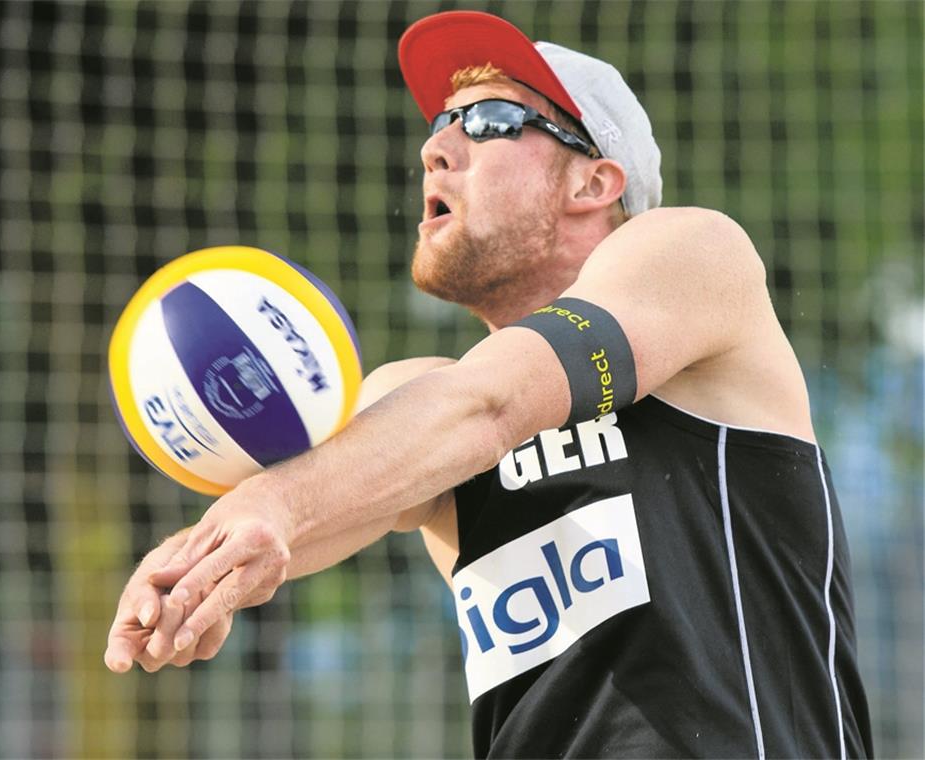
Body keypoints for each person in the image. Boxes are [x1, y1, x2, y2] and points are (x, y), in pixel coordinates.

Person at [104, 11, 872, 758]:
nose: (436, 147)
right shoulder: (420, 404)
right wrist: (191, 569)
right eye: (439, 122)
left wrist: (271, 506)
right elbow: (309, 508)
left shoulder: (692, 257)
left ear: (593, 181)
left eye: (490, 120)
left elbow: (493, 405)